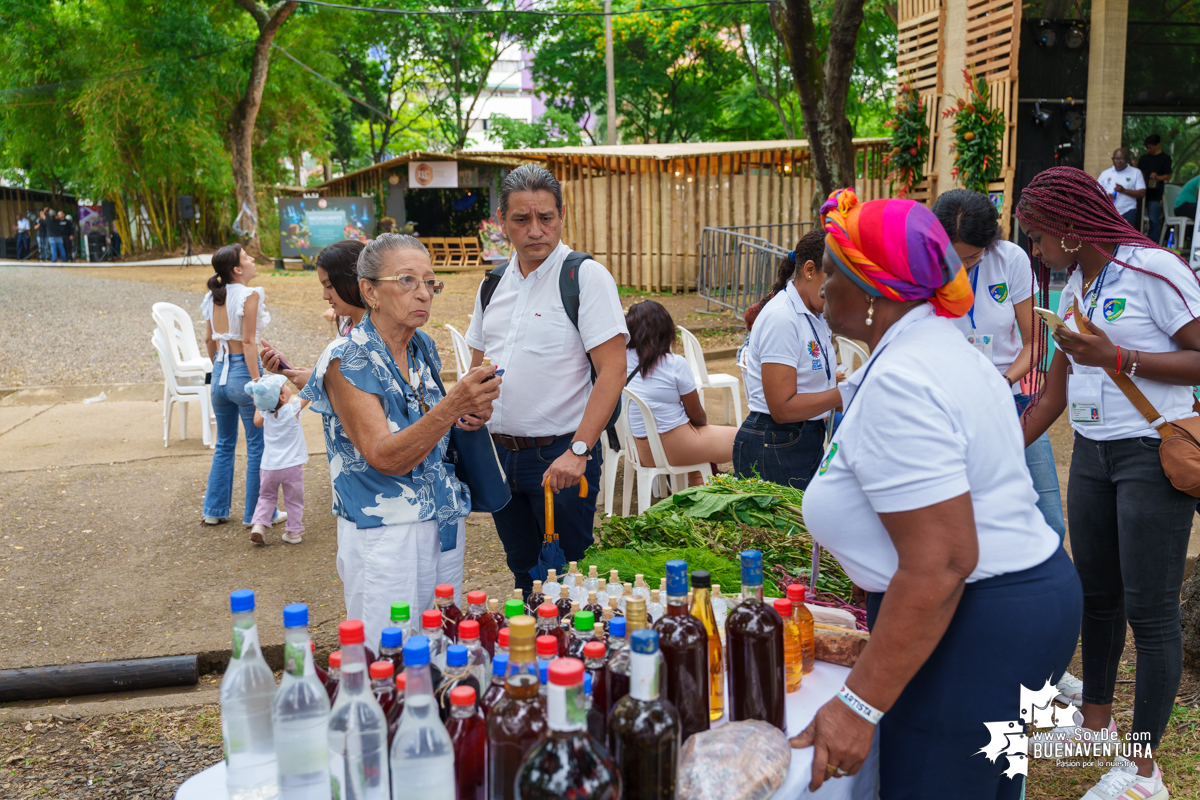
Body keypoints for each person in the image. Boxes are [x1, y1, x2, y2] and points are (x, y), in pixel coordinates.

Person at [795, 188, 1081, 799]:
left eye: (834, 271)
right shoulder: (939, 349)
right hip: (1013, 604)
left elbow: (945, 560)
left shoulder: (906, 377)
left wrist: (857, 706)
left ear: (874, 290)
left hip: (978, 620)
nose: (822, 289)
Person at [1017, 166, 1200, 800]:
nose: (1034, 250)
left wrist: (1120, 358)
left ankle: (1144, 773)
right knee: (1098, 597)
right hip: (1093, 457)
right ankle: (1095, 727)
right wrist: (993, 453)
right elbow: (1051, 396)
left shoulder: (1155, 270)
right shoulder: (1073, 288)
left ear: (1068, 230)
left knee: (1150, 614)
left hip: (1154, 453)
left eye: (1038, 237)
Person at [300, 234, 501, 649]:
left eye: (431, 283)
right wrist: (451, 405)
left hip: (443, 520)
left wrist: (467, 417)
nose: (424, 293)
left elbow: (426, 424)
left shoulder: (422, 346)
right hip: (385, 534)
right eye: (408, 280)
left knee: (440, 647)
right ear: (370, 291)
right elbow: (384, 456)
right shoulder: (347, 358)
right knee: (386, 658)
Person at [464, 164, 628, 593]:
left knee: (571, 576)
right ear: (502, 221)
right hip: (500, 456)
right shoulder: (492, 284)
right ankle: (531, 656)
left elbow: (613, 371)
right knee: (521, 572)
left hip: (561, 457)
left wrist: (579, 449)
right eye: (521, 219)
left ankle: (575, 657)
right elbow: (477, 368)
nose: (536, 230)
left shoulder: (584, 277)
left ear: (561, 215)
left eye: (546, 218)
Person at [733, 228, 841, 488]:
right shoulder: (782, 317)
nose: (839, 289)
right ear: (810, 270)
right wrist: (845, 393)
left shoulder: (814, 315)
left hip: (799, 439)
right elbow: (782, 408)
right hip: (776, 443)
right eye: (835, 277)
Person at [200, 244, 280, 533]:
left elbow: (209, 340)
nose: (252, 259)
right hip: (241, 374)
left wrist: (219, 367)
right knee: (258, 446)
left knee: (224, 444)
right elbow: (248, 343)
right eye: (246, 257)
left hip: (219, 372)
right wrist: (257, 381)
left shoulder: (212, 297)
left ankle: (213, 511)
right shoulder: (249, 294)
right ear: (237, 269)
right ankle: (257, 515)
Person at [623, 300, 737, 486]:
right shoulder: (674, 363)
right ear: (666, 330)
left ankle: (698, 492)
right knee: (746, 440)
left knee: (700, 445)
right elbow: (698, 417)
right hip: (672, 448)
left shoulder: (621, 359)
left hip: (639, 449)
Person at [262, 239, 368, 390]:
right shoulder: (347, 324)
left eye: (329, 286)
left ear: (354, 281)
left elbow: (364, 397)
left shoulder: (376, 333)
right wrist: (288, 369)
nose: (325, 296)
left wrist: (319, 384)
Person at [246, 374, 309, 545]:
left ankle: (259, 525)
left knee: (265, 497)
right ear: (282, 397)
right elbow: (309, 390)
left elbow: (256, 421)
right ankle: (294, 533)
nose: (288, 386)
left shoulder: (265, 415)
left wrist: (259, 399)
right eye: (285, 386)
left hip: (269, 467)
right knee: (294, 500)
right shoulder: (292, 409)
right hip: (292, 466)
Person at [1097, 148, 1146, 229]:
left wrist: (1124, 191)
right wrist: (1106, 197)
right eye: (1116, 159)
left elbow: (1142, 193)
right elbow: (1095, 192)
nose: (1118, 161)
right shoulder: (1105, 174)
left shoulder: (1136, 172)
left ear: (1127, 159)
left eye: (1121, 159)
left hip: (1128, 211)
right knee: (1109, 239)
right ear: (1112, 159)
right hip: (1108, 212)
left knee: (1125, 239)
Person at [1137, 134, 1173, 244]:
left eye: (1151, 147)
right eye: (1147, 147)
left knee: (1154, 220)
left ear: (1157, 145)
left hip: (1155, 193)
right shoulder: (1144, 158)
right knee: (1138, 218)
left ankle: (1152, 242)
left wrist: (1157, 177)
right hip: (1141, 192)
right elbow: (1139, 173)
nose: (1148, 150)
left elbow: (1168, 176)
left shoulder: (1165, 158)